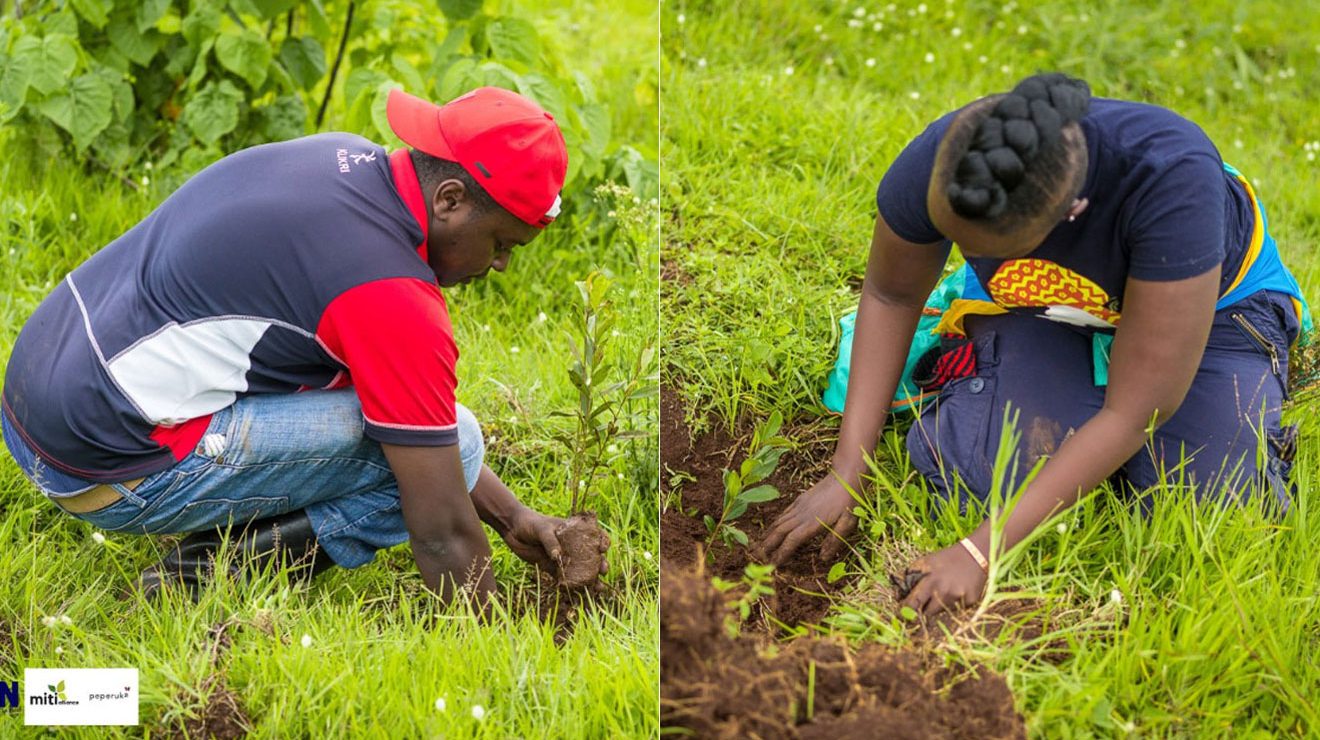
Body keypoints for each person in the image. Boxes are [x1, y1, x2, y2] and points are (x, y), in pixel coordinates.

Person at [1, 86, 608, 606]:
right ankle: (195, 580)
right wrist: (501, 654)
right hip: (105, 464)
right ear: (450, 199)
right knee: (460, 436)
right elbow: (442, 526)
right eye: (502, 242)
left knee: (435, 432)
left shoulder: (338, 160)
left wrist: (513, 519)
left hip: (35, 402)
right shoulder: (390, 295)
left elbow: (398, 411)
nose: (499, 265)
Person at [760, 73, 1308, 616]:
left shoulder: (1172, 183)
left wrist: (979, 552)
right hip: (1051, 310)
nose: (966, 254)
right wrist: (847, 470)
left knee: (1210, 512)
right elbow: (890, 293)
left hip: (1212, 315)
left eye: (989, 248)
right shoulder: (956, 158)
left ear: (1069, 215)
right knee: (974, 476)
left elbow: (1136, 411)